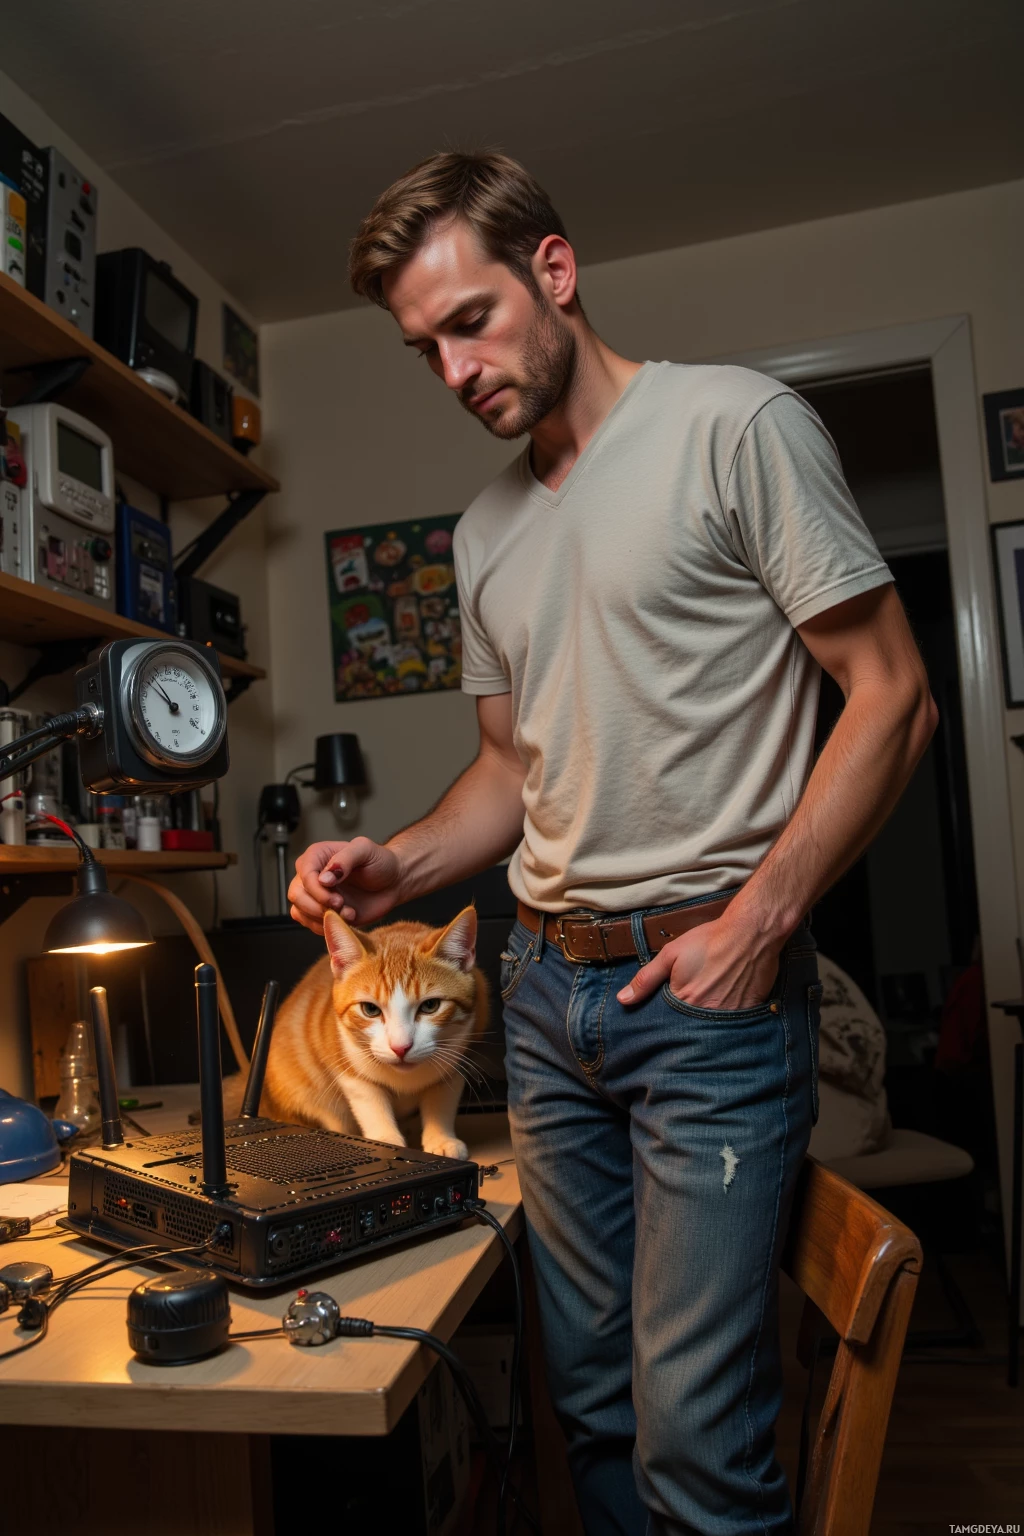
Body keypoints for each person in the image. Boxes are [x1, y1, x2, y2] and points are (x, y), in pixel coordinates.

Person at [290, 151, 936, 1536]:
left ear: (555, 271)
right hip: (539, 1000)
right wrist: (397, 866)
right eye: (423, 349)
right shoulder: (482, 535)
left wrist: (760, 922)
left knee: (696, 1441)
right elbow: (510, 770)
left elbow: (893, 695)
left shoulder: (734, 426)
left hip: (703, 995)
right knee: (586, 1404)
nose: (454, 370)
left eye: (471, 322)